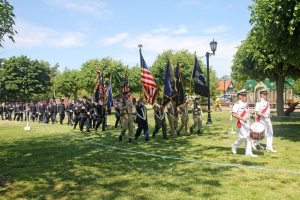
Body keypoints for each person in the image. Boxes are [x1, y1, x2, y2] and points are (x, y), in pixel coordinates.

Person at [231, 89, 258, 157]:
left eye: (245, 95)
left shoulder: (246, 104)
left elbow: (247, 112)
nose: (245, 96)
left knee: (248, 137)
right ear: (240, 96)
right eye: (243, 95)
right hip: (240, 122)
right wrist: (242, 118)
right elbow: (234, 114)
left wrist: (252, 116)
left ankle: (248, 153)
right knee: (243, 137)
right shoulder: (237, 104)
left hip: (247, 122)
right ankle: (234, 145)